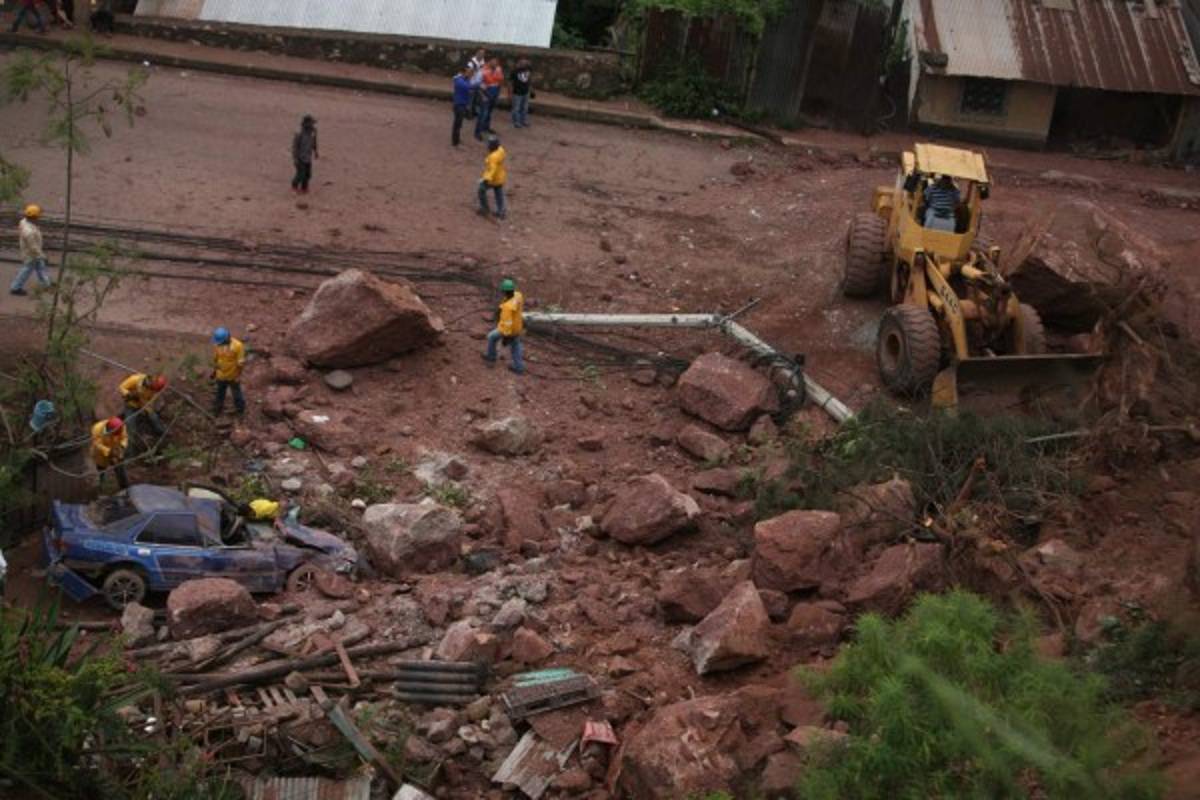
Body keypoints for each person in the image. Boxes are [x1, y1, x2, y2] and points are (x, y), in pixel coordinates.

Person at [482, 278, 525, 375]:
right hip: (518, 327)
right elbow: (513, 303)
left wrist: (506, 337)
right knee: (516, 345)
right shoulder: (518, 295)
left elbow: (507, 324)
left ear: (504, 291)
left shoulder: (507, 308)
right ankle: (519, 367)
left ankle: (491, 358)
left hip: (509, 330)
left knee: (492, 337)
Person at [11, 204, 52, 296]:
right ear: (34, 217)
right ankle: (15, 287)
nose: (39, 218)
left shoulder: (24, 221)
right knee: (27, 270)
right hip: (31, 254)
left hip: (31, 251)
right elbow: (33, 247)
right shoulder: (29, 232)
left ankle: (47, 284)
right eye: (38, 216)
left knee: (40, 267)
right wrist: (43, 256)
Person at [118, 372, 168, 442]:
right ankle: (130, 441)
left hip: (144, 405)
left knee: (154, 417)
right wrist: (129, 394)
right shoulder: (136, 379)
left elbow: (150, 399)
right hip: (131, 405)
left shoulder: (153, 390)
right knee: (130, 424)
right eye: (153, 388)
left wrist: (148, 410)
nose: (153, 390)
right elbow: (121, 387)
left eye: (155, 389)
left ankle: (162, 432)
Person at [211, 327, 246, 416]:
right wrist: (214, 371)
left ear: (226, 338)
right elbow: (216, 359)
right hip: (221, 375)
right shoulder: (217, 345)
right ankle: (217, 409)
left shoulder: (238, 346)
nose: (220, 344)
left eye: (221, 342)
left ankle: (240, 410)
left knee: (237, 394)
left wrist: (239, 376)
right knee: (220, 393)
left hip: (233, 375)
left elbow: (240, 363)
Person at [91, 416, 129, 490]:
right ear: (109, 429)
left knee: (120, 468)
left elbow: (124, 437)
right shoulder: (97, 429)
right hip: (101, 452)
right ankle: (102, 484)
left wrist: (122, 446)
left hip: (116, 449)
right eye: (115, 434)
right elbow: (97, 444)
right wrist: (108, 451)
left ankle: (125, 487)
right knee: (101, 468)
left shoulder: (121, 426)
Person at [477, 136, 507, 220]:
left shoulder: (493, 157)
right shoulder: (501, 150)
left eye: (489, 144)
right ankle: (501, 211)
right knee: (499, 193)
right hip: (500, 177)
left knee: (481, 190)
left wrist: (485, 179)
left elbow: (491, 170)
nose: (487, 146)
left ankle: (485, 209)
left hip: (493, 179)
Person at [474, 57, 504, 141]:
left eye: (496, 62)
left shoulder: (498, 69)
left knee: (489, 113)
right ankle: (477, 132)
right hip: (486, 93)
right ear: (489, 62)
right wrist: (483, 96)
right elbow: (478, 85)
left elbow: (500, 82)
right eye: (493, 62)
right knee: (483, 114)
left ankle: (486, 128)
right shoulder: (482, 71)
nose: (495, 64)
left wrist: (498, 93)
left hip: (494, 92)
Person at [291, 114, 319, 194]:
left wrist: (316, 151)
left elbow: (314, 142)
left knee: (308, 174)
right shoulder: (299, 133)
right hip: (300, 157)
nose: (312, 125)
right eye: (311, 123)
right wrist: (295, 158)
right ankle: (294, 186)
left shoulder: (313, 132)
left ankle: (304, 188)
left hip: (308, 156)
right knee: (300, 174)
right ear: (306, 123)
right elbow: (295, 147)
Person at [452, 64, 473, 147]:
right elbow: (469, 87)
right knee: (457, 124)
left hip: (463, 104)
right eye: (468, 72)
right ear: (463, 72)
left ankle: (457, 139)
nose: (470, 74)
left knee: (459, 124)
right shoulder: (460, 81)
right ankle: (455, 142)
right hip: (459, 105)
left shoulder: (464, 80)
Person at [510, 58, 533, 128]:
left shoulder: (528, 70)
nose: (524, 64)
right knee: (516, 108)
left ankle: (523, 120)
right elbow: (510, 82)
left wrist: (531, 90)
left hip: (525, 92)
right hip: (517, 92)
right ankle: (516, 121)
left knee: (525, 108)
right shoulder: (515, 71)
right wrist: (509, 92)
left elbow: (529, 81)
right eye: (522, 63)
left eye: (525, 63)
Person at [467, 48, 486, 119]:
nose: (482, 55)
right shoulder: (471, 62)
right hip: (471, 83)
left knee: (476, 99)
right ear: (477, 53)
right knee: (470, 99)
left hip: (479, 83)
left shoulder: (483, 61)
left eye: (483, 53)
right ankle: (468, 113)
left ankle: (474, 111)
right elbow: (468, 72)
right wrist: (468, 83)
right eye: (480, 53)